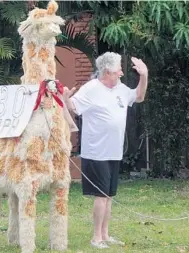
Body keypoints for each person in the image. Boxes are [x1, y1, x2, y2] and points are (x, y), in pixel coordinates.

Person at [63, 52, 148, 249]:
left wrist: (144, 76)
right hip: (96, 152)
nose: (121, 73)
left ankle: (105, 234)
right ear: (108, 72)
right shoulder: (92, 88)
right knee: (101, 195)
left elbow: (139, 96)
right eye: (118, 69)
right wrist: (66, 98)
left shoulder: (120, 88)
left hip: (114, 151)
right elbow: (74, 107)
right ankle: (96, 238)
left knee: (109, 196)